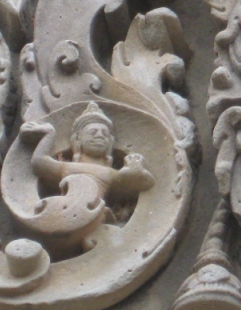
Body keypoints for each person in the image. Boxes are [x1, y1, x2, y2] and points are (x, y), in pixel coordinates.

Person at [26, 103, 155, 250]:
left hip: (95, 219)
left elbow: (145, 184)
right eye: (92, 132)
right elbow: (39, 162)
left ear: (110, 142)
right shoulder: (66, 167)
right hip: (61, 214)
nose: (99, 136)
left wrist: (135, 171)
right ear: (78, 140)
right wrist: (49, 134)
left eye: (104, 133)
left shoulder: (108, 173)